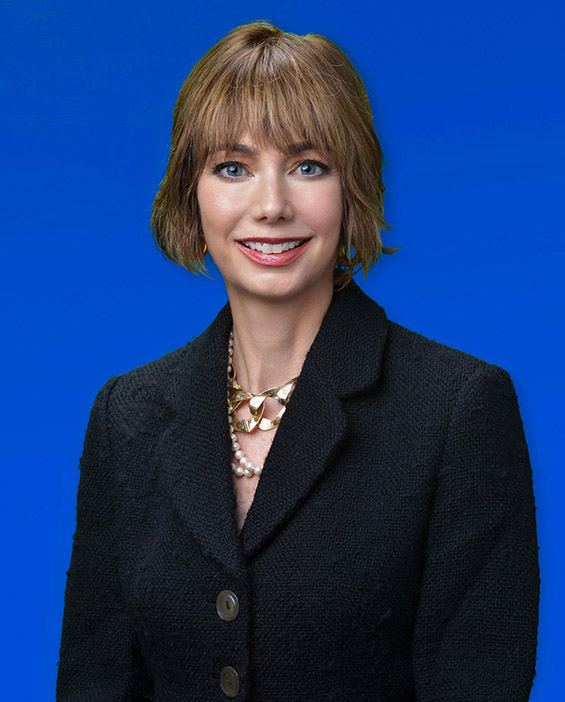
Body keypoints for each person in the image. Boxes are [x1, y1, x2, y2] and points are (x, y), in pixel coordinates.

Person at [56, 20, 539, 701]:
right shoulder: (125, 415)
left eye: (308, 165)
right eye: (233, 167)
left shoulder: (457, 409)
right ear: (190, 193)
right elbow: (95, 681)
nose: (271, 204)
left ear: (353, 189)